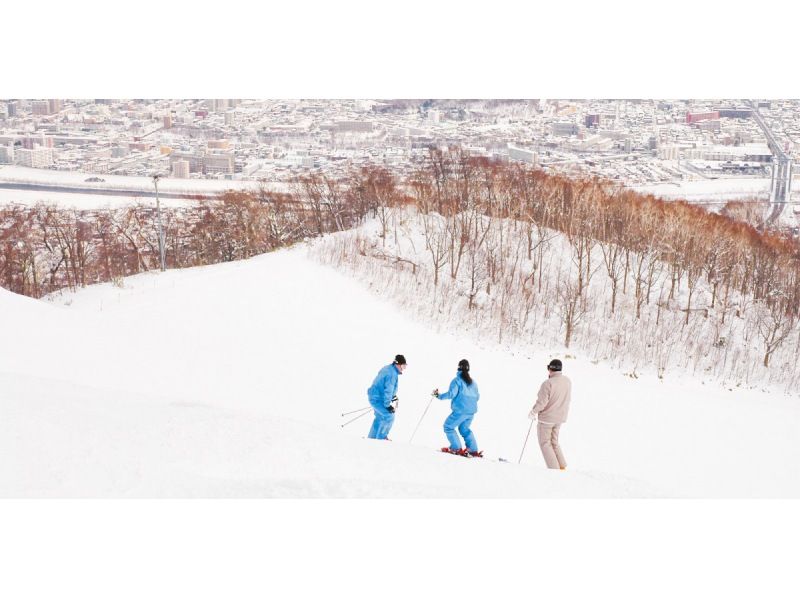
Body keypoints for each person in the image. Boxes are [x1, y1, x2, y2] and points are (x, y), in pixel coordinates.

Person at [432, 359, 482, 457]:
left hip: (461, 410)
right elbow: (477, 397)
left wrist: (438, 395)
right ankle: (473, 450)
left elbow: (451, 394)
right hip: (471, 412)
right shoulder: (474, 383)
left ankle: (456, 448)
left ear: (458, 368)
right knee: (464, 429)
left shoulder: (457, 381)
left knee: (448, 426)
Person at [529, 359, 571, 470]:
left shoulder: (548, 383)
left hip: (547, 419)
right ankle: (562, 467)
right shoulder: (567, 381)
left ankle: (555, 471)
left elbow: (542, 403)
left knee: (545, 444)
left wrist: (533, 412)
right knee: (554, 442)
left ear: (550, 368)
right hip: (560, 418)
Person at [367, 354, 406, 440]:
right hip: (378, 398)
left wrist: (393, 396)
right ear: (397, 364)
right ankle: (381, 438)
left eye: (405, 366)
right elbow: (389, 389)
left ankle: (371, 439)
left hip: (375, 396)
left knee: (380, 417)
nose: (403, 368)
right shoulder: (392, 374)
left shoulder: (388, 368)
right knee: (389, 416)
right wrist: (387, 405)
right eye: (403, 366)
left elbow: (384, 385)